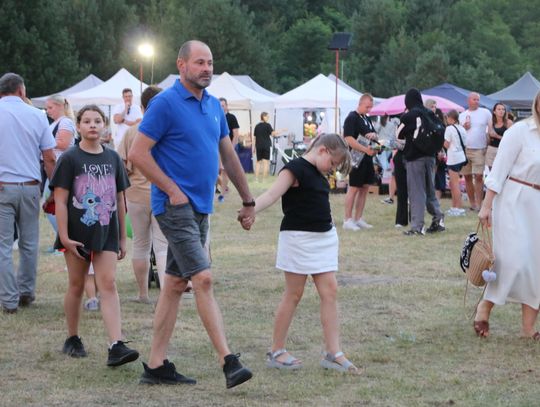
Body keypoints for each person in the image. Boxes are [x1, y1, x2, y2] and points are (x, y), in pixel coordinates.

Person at [128, 40, 255, 388]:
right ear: (181, 65)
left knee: (173, 284)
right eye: (199, 62)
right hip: (174, 208)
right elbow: (138, 153)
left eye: (210, 63)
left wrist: (248, 200)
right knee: (203, 279)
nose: (207, 69)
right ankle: (228, 361)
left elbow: (228, 155)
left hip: (201, 207)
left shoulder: (213, 105)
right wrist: (171, 189)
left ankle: (156, 366)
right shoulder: (165, 103)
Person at [241, 133, 360, 374]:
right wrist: (250, 210)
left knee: (330, 291)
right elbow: (272, 194)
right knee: (294, 294)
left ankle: (333, 353)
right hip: (298, 239)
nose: (332, 169)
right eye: (333, 163)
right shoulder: (294, 169)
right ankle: (276, 350)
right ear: (323, 150)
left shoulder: (318, 172)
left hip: (324, 239)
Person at [51, 104, 139, 366]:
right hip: (76, 233)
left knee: (108, 283)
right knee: (77, 285)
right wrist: (64, 236)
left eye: (97, 121)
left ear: (104, 125)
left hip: (106, 231)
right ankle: (72, 337)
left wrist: (121, 238)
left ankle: (116, 345)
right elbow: (60, 201)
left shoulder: (112, 158)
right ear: (78, 126)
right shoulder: (69, 158)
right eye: (87, 121)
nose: (92, 125)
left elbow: (120, 199)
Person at [474, 90, 540, 339]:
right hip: (514, 200)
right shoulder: (519, 131)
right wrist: (486, 206)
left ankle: (528, 328)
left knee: (537, 265)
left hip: (538, 205)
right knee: (514, 260)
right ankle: (485, 305)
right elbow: (499, 170)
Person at [0, 73, 56, 314]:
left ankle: (8, 299)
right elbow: (49, 157)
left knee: (2, 246)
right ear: (22, 91)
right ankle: (26, 292)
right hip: (31, 185)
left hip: (3, 186)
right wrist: (55, 188)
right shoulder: (37, 115)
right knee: (30, 243)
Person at [118, 85, 168, 303]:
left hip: (136, 195)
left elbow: (122, 165)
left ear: (142, 106)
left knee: (140, 245)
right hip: (163, 193)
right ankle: (165, 295)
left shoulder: (132, 131)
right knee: (163, 245)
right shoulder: (169, 127)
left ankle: (143, 294)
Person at [398, 88, 444, 236]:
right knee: (430, 190)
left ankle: (417, 227)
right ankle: (438, 219)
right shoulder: (430, 113)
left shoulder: (409, 116)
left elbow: (398, 134)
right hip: (430, 156)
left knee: (416, 192)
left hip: (414, 157)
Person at [43, 94, 77, 238]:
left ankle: (64, 239)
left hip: (59, 169)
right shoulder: (58, 123)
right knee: (52, 206)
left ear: (60, 106)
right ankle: (62, 239)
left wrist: (43, 141)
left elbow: (63, 143)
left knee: (54, 206)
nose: (48, 111)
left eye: (50, 107)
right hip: (54, 168)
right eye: (47, 108)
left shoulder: (65, 122)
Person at [342, 93, 378, 231]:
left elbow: (373, 135)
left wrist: (374, 136)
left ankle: (358, 218)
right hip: (356, 158)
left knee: (364, 188)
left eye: (371, 107)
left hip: (367, 159)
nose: (369, 109)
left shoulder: (366, 118)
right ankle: (347, 220)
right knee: (354, 188)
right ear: (360, 103)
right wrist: (364, 149)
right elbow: (348, 138)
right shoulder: (352, 117)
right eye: (367, 107)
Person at [459, 92, 493, 211]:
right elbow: (459, 132)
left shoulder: (485, 112)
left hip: (480, 149)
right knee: (467, 176)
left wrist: (488, 144)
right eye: (474, 99)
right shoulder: (462, 115)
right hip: (465, 149)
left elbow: (490, 130)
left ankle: (479, 204)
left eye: (478, 99)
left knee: (478, 176)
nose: (477, 101)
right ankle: (472, 204)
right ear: (468, 100)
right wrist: (464, 127)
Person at [443, 110, 467, 216]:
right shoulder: (462, 128)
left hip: (453, 157)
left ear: (451, 118)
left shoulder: (449, 128)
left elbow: (446, 144)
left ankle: (458, 207)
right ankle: (454, 206)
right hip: (461, 156)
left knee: (454, 184)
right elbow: (465, 143)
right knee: (454, 183)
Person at [217, 97, 240, 198]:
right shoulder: (215, 116)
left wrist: (231, 148)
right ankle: (224, 188)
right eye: (220, 106)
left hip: (227, 148)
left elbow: (236, 135)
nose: (221, 108)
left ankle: (222, 193)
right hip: (216, 148)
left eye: (223, 106)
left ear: (226, 106)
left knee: (224, 170)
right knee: (215, 169)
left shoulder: (231, 117)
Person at [253, 112, 284, 182]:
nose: (268, 118)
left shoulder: (257, 126)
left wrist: (254, 148)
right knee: (266, 163)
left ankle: (256, 179)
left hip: (258, 146)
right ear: (263, 117)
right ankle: (264, 179)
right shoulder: (267, 125)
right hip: (266, 146)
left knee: (258, 162)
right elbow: (273, 134)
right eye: (267, 116)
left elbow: (254, 138)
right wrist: (281, 130)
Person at [486, 102, 513, 169]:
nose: (501, 111)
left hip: (503, 149)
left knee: (503, 170)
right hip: (492, 149)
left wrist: (497, 136)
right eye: (499, 109)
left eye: (503, 109)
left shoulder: (508, 123)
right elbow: (489, 138)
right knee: (492, 171)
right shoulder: (491, 122)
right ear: (494, 112)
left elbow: (512, 139)